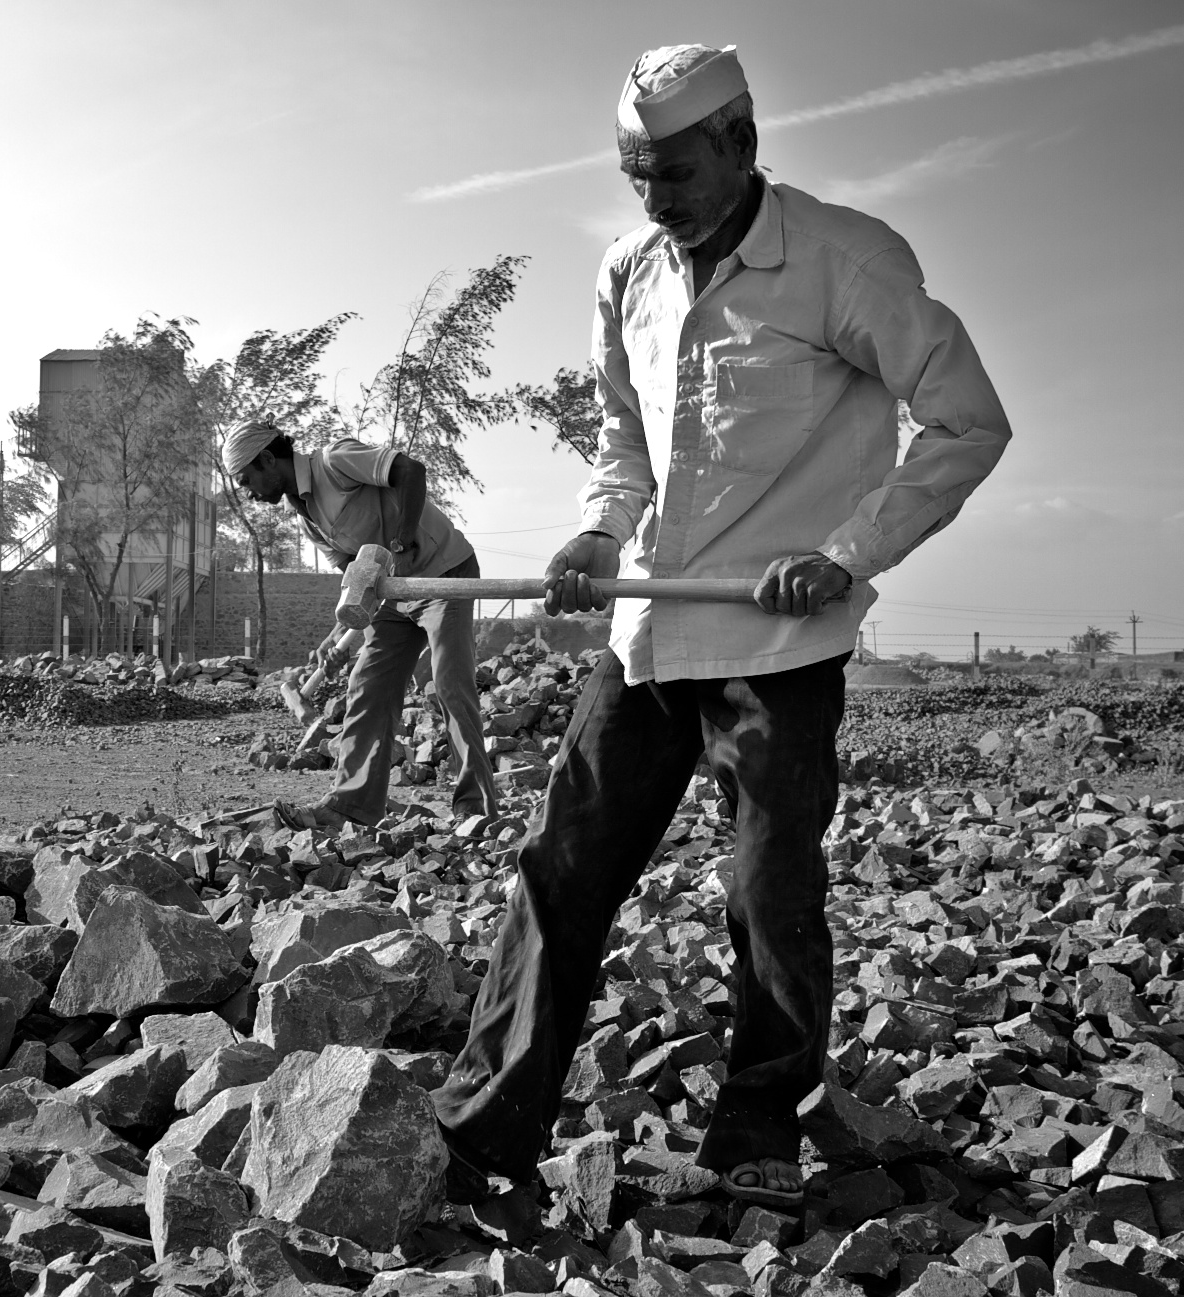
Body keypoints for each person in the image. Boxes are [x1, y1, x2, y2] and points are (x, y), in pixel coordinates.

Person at [432, 44, 1010, 1212]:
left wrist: (845, 552)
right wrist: (599, 534)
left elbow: (964, 420)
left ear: (743, 143)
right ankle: (484, 1127)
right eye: (634, 172)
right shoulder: (627, 271)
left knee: (766, 890)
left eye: (675, 169)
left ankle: (757, 1131)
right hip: (649, 627)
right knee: (562, 865)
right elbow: (621, 434)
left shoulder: (846, 260)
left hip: (779, 645)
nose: (654, 195)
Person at [224, 422, 499, 829]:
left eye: (247, 480)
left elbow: (411, 471)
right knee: (367, 686)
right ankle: (348, 807)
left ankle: (476, 811)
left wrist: (401, 545)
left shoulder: (335, 463)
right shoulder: (306, 517)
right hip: (391, 595)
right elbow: (357, 578)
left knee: (450, 682)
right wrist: (335, 639)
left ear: (267, 458)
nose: (248, 492)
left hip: (444, 575)